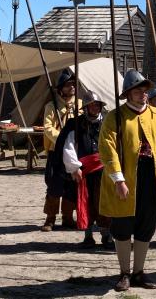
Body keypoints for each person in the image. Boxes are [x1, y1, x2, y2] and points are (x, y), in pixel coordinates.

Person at [98, 69, 156, 291]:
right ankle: (124, 273)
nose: (143, 94)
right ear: (128, 93)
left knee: (147, 225)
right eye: (138, 90)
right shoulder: (115, 117)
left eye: (145, 90)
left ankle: (139, 272)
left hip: (152, 177)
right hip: (126, 178)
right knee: (123, 226)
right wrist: (118, 179)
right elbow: (107, 149)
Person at [58, 90, 113, 249]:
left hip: (104, 169)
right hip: (85, 171)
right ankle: (88, 235)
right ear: (86, 107)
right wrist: (74, 168)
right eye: (92, 105)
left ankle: (106, 235)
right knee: (86, 203)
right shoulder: (76, 124)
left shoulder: (107, 123)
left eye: (97, 104)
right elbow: (69, 146)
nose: (95, 107)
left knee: (103, 203)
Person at [41, 68, 82, 232]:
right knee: (54, 185)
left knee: (71, 186)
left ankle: (67, 217)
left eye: (73, 84)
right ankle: (50, 219)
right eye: (68, 85)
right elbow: (47, 127)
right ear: (60, 88)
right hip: (56, 151)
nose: (71, 87)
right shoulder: (51, 106)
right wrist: (62, 139)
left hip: (73, 151)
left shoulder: (79, 104)